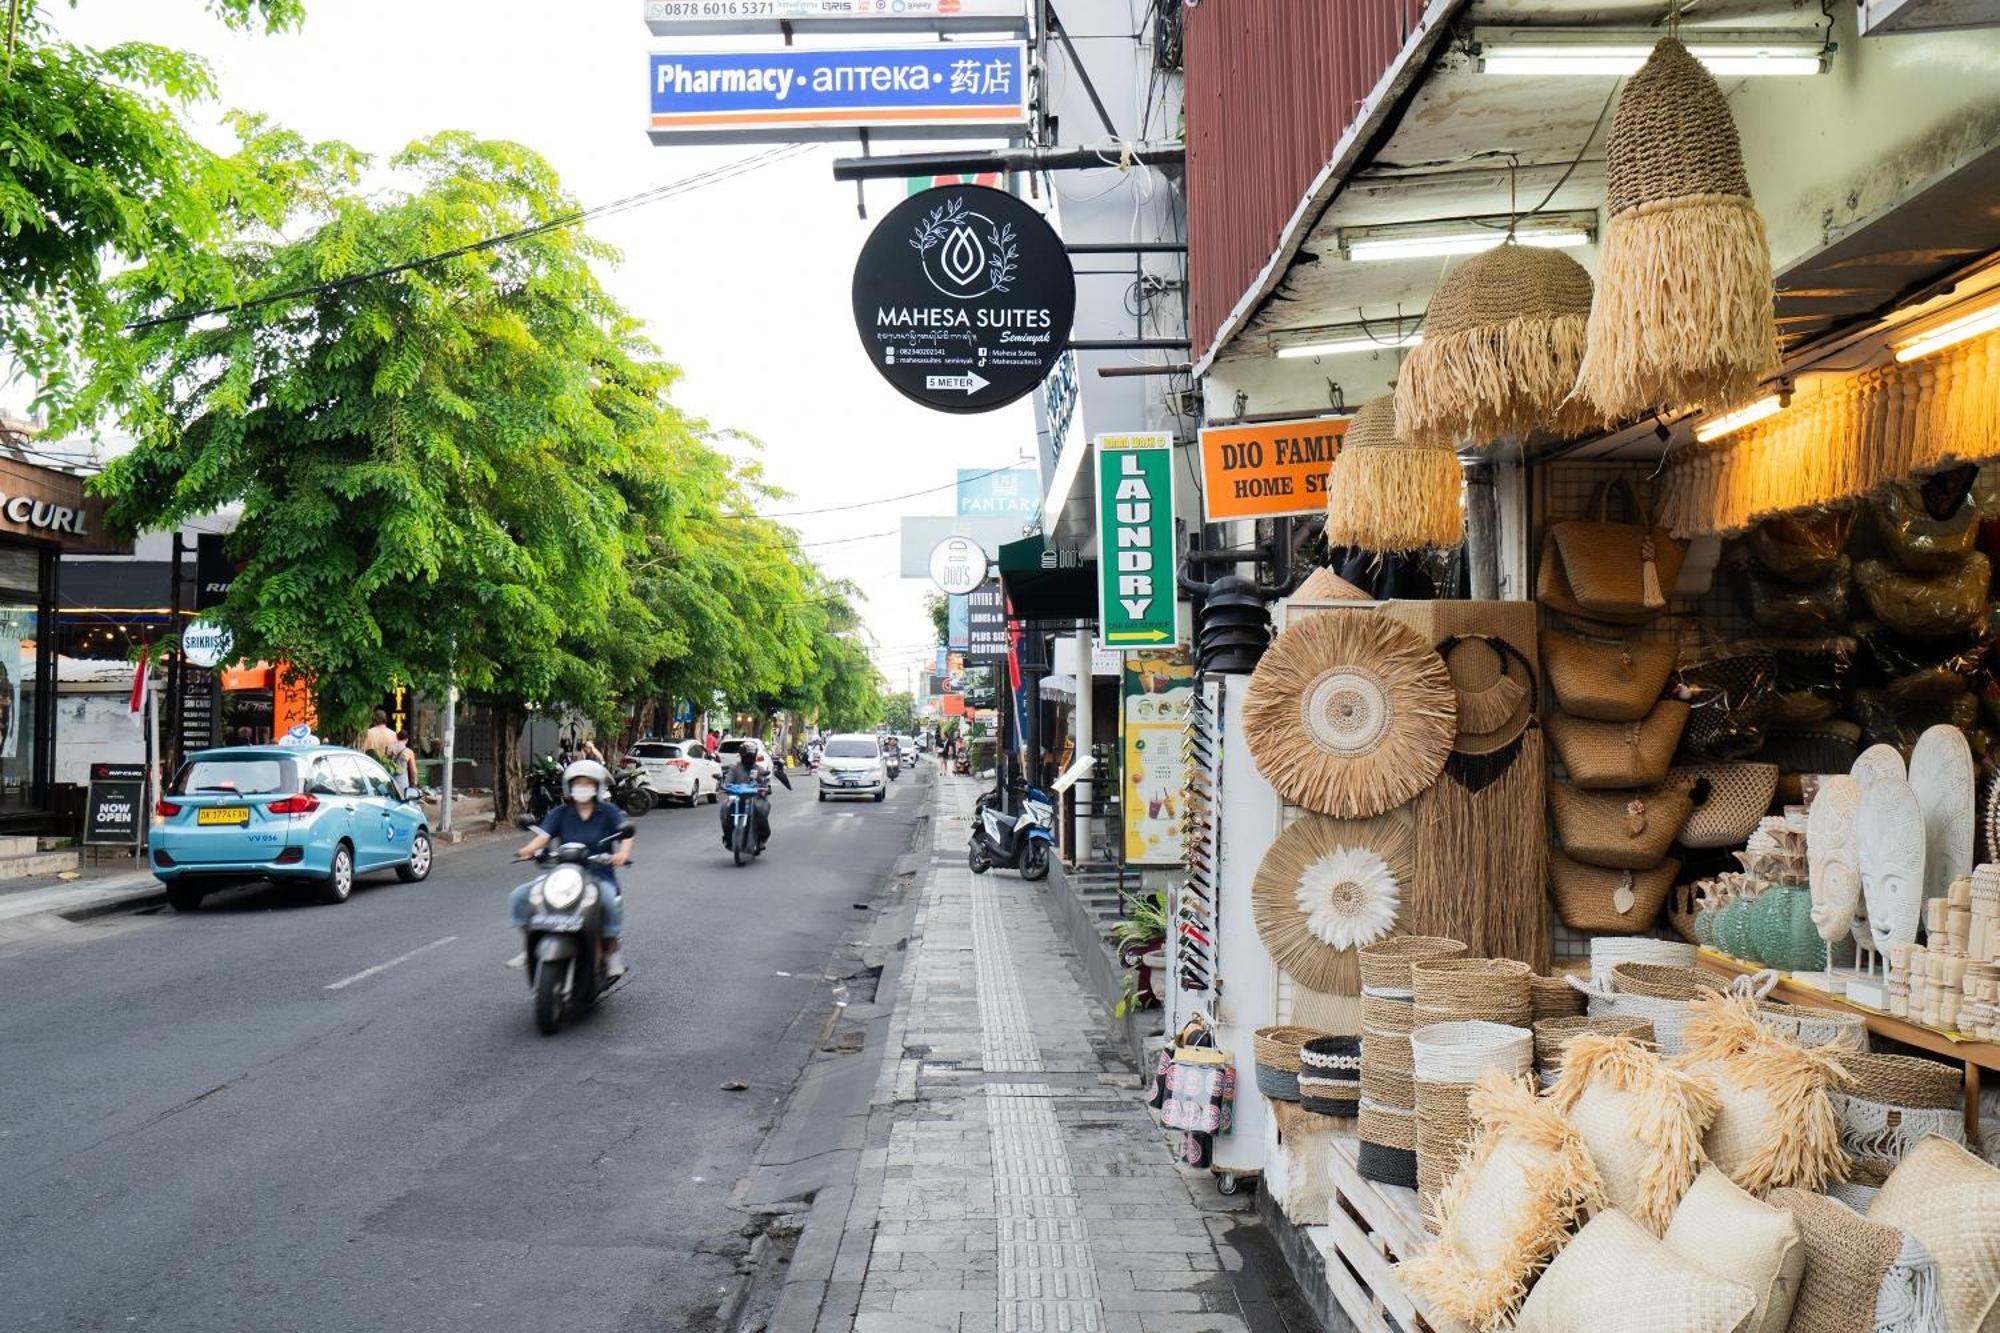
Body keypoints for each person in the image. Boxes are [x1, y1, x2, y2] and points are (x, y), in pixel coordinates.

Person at [510, 759, 631, 977]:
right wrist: (528, 849)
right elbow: (544, 837)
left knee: (608, 901)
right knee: (519, 895)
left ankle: (611, 952)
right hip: (563, 876)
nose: (582, 788)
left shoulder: (608, 812)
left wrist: (622, 854)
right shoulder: (561, 813)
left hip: (598, 875)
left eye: (587, 783)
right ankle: (528, 946)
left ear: (597, 787)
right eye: (577, 783)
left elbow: (625, 833)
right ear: (569, 786)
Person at [719, 738, 791, 852]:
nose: (748, 758)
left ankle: (762, 837)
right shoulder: (735, 768)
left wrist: (765, 788)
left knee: (760, 809)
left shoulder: (759, 769)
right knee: (724, 808)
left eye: (750, 756)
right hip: (737, 798)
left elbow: (765, 782)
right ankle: (727, 836)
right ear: (741, 756)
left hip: (755, 798)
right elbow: (727, 782)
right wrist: (724, 787)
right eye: (745, 756)